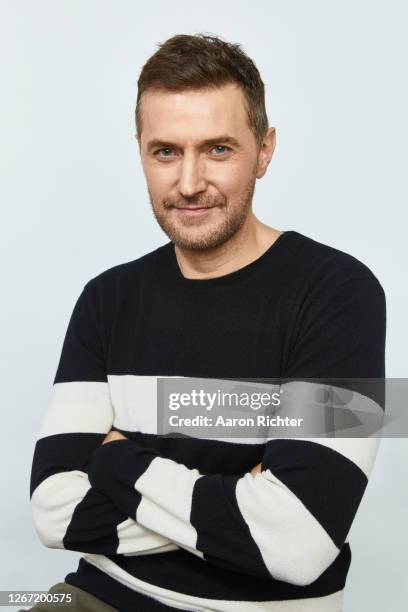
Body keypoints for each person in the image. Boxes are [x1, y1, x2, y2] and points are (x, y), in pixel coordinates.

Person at [26, 33, 386, 611]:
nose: (189, 183)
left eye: (218, 149)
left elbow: (298, 543)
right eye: (166, 151)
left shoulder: (339, 294)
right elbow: (51, 508)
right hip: (100, 594)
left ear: (264, 150)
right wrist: (235, 508)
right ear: (140, 151)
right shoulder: (106, 299)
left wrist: (117, 458)